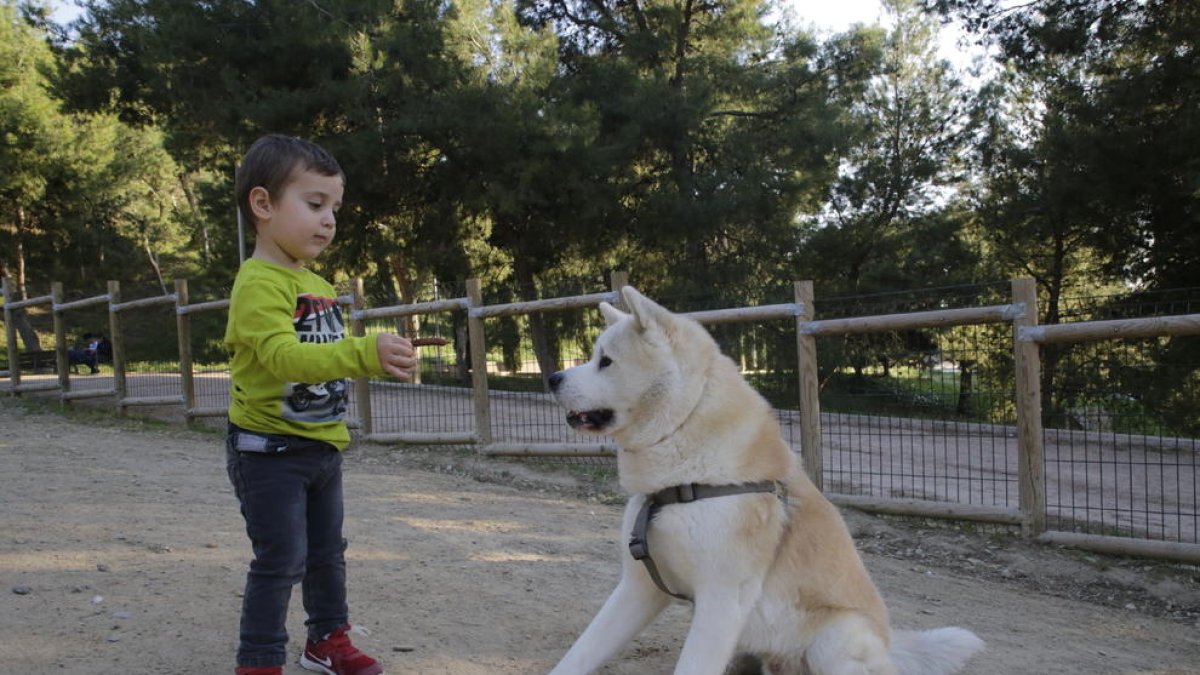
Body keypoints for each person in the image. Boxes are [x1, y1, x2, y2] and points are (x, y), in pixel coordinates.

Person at [224, 135, 417, 675]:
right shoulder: (258, 283)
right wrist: (364, 351)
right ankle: (258, 661)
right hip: (268, 452)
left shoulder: (316, 282)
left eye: (334, 207)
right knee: (281, 560)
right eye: (314, 204)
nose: (329, 220)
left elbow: (325, 357)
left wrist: (386, 355)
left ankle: (326, 642)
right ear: (262, 205)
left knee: (328, 556)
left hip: (321, 447)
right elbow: (286, 359)